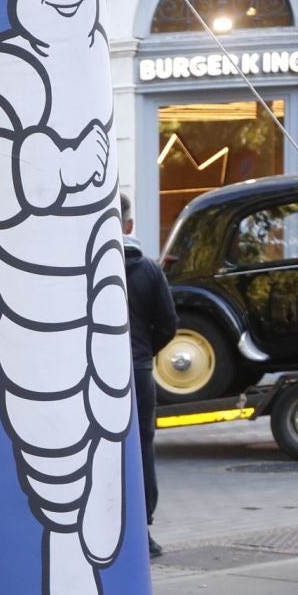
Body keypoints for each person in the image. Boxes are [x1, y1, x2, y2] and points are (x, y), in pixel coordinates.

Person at [120, 193, 178, 559]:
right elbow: (169, 324)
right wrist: (145, 353)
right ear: (129, 226)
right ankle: (143, 531)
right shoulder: (149, 269)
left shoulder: (83, 266)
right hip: (139, 372)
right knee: (142, 449)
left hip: (95, 375)